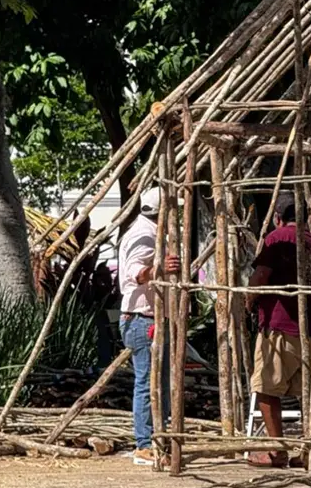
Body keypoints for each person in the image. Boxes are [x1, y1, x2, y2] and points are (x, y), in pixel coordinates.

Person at [246, 194, 311, 468]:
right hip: (309, 326)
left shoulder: (277, 238)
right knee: (306, 392)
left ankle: (278, 450)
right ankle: (307, 449)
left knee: (265, 388)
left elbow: (261, 274)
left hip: (279, 324)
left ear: (278, 216)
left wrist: (249, 299)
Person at [118, 186, 180, 466]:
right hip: (142, 319)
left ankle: (157, 437)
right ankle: (144, 444)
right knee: (147, 382)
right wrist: (159, 268)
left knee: (159, 381)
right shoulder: (142, 235)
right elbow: (136, 274)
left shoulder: (154, 234)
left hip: (150, 318)